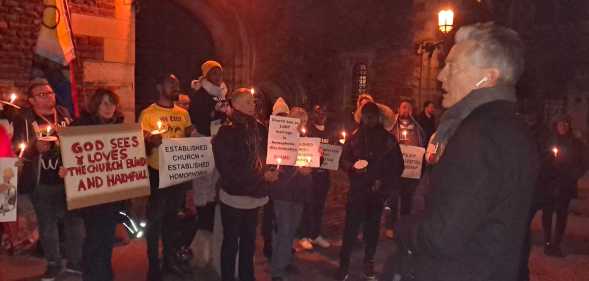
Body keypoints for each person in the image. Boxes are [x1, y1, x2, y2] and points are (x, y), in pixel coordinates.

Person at [392, 23, 539, 281]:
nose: (441, 76)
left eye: (453, 66)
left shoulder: (477, 135)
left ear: (489, 77)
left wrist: (402, 227)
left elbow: (443, 235)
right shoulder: (515, 129)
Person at [11, 78, 82, 281]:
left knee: (74, 223)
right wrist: (34, 149)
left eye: (50, 93)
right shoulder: (24, 118)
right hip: (41, 181)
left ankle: (75, 263)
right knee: (48, 225)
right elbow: (17, 148)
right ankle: (53, 263)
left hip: (68, 179)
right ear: (32, 100)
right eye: (42, 94)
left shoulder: (64, 113)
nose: (49, 97)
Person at [59, 89, 125, 281]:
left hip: (111, 194)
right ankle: (95, 276)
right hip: (90, 195)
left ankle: (102, 274)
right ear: (95, 105)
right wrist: (65, 168)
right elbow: (66, 151)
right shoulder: (80, 126)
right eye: (103, 103)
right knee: (95, 239)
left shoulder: (120, 127)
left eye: (111, 103)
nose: (108, 107)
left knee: (106, 239)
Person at [213, 88, 278, 281]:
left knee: (249, 243)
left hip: (255, 197)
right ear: (238, 105)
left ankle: (247, 276)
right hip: (234, 198)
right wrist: (261, 177)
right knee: (231, 243)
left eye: (254, 101)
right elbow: (228, 170)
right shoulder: (226, 132)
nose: (254, 105)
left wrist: (273, 168)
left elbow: (267, 154)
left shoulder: (260, 128)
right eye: (249, 102)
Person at [337, 102, 404, 281]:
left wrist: (383, 183)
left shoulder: (389, 140)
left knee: (372, 230)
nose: (369, 119)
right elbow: (343, 160)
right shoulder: (354, 137)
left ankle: (369, 261)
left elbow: (398, 166)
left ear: (378, 117)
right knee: (350, 229)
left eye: (372, 115)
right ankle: (343, 265)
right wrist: (352, 167)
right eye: (366, 115)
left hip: (376, 194)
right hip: (357, 192)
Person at [139, 74, 193, 281]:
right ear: (159, 87)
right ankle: (153, 267)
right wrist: (151, 141)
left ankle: (170, 261)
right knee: (154, 222)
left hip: (178, 176)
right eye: (171, 83)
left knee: (173, 221)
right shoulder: (148, 114)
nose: (176, 86)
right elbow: (139, 146)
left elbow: (190, 140)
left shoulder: (183, 114)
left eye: (178, 84)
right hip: (157, 173)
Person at [270, 107, 313, 281]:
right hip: (284, 191)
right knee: (284, 229)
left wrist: (313, 163)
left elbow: (313, 160)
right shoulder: (281, 139)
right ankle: (277, 271)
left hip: (299, 192)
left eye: (303, 121)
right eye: (297, 120)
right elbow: (275, 162)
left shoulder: (306, 141)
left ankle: (286, 261)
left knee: (292, 229)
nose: (300, 124)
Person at [540, 115, 585, 257]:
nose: (563, 127)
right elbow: (542, 158)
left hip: (565, 184)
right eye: (560, 124)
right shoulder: (549, 140)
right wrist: (549, 163)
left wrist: (573, 174)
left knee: (561, 215)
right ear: (556, 125)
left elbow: (583, 162)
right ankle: (547, 242)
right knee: (547, 213)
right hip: (550, 183)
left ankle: (556, 244)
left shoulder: (575, 143)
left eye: (565, 124)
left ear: (569, 126)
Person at [385, 99, 426, 239]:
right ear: (398, 109)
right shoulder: (391, 127)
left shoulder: (417, 129)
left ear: (411, 111)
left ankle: (402, 227)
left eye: (408, 108)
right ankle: (390, 226)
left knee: (407, 200)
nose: (405, 110)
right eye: (403, 107)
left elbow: (422, 147)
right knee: (392, 199)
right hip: (394, 171)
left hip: (410, 171)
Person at [298, 104, 333, 250]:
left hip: (323, 175)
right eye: (318, 112)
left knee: (319, 206)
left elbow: (334, 150)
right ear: (314, 114)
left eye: (324, 112)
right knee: (308, 205)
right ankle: (304, 235)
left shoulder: (331, 132)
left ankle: (315, 234)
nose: (321, 115)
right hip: (311, 175)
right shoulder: (309, 131)